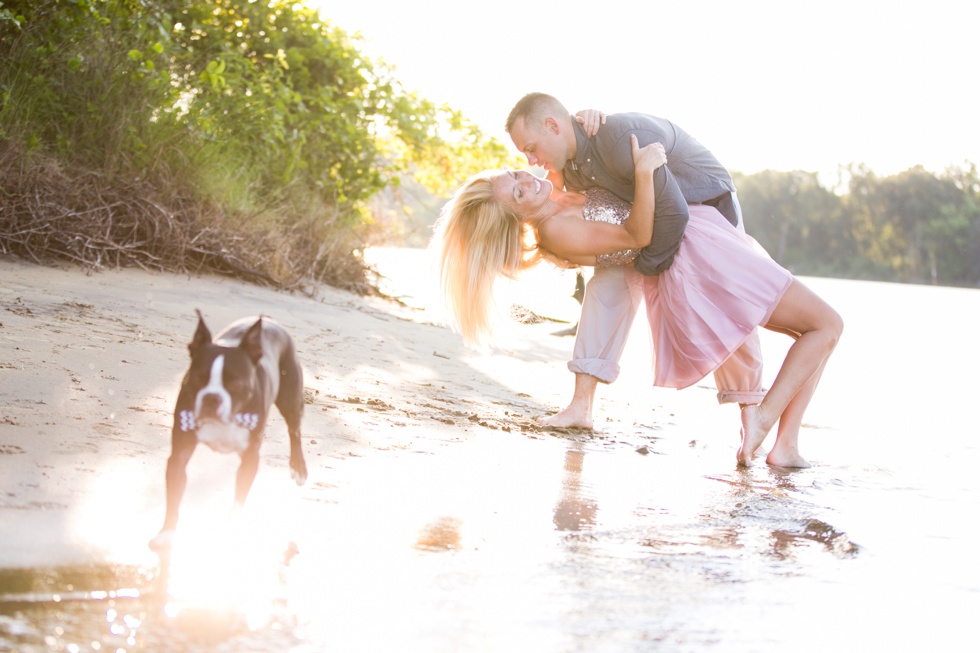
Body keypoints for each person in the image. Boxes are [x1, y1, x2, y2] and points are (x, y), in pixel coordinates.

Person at [431, 136, 843, 468]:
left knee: (813, 332)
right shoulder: (557, 229)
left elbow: (576, 148)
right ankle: (768, 421)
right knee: (826, 325)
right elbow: (637, 235)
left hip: (703, 244)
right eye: (518, 192)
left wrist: (587, 120)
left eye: (515, 172)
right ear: (515, 217)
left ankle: (784, 445)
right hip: (700, 255)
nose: (527, 179)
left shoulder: (559, 195)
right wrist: (646, 172)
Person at [506, 93, 766, 429]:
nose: (530, 160)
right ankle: (581, 407)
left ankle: (751, 414)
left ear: (553, 126)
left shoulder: (617, 139)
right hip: (645, 224)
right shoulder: (566, 159)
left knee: (728, 304)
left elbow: (674, 214)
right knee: (605, 286)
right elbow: (548, 201)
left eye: (531, 147)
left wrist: (646, 266)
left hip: (704, 205)